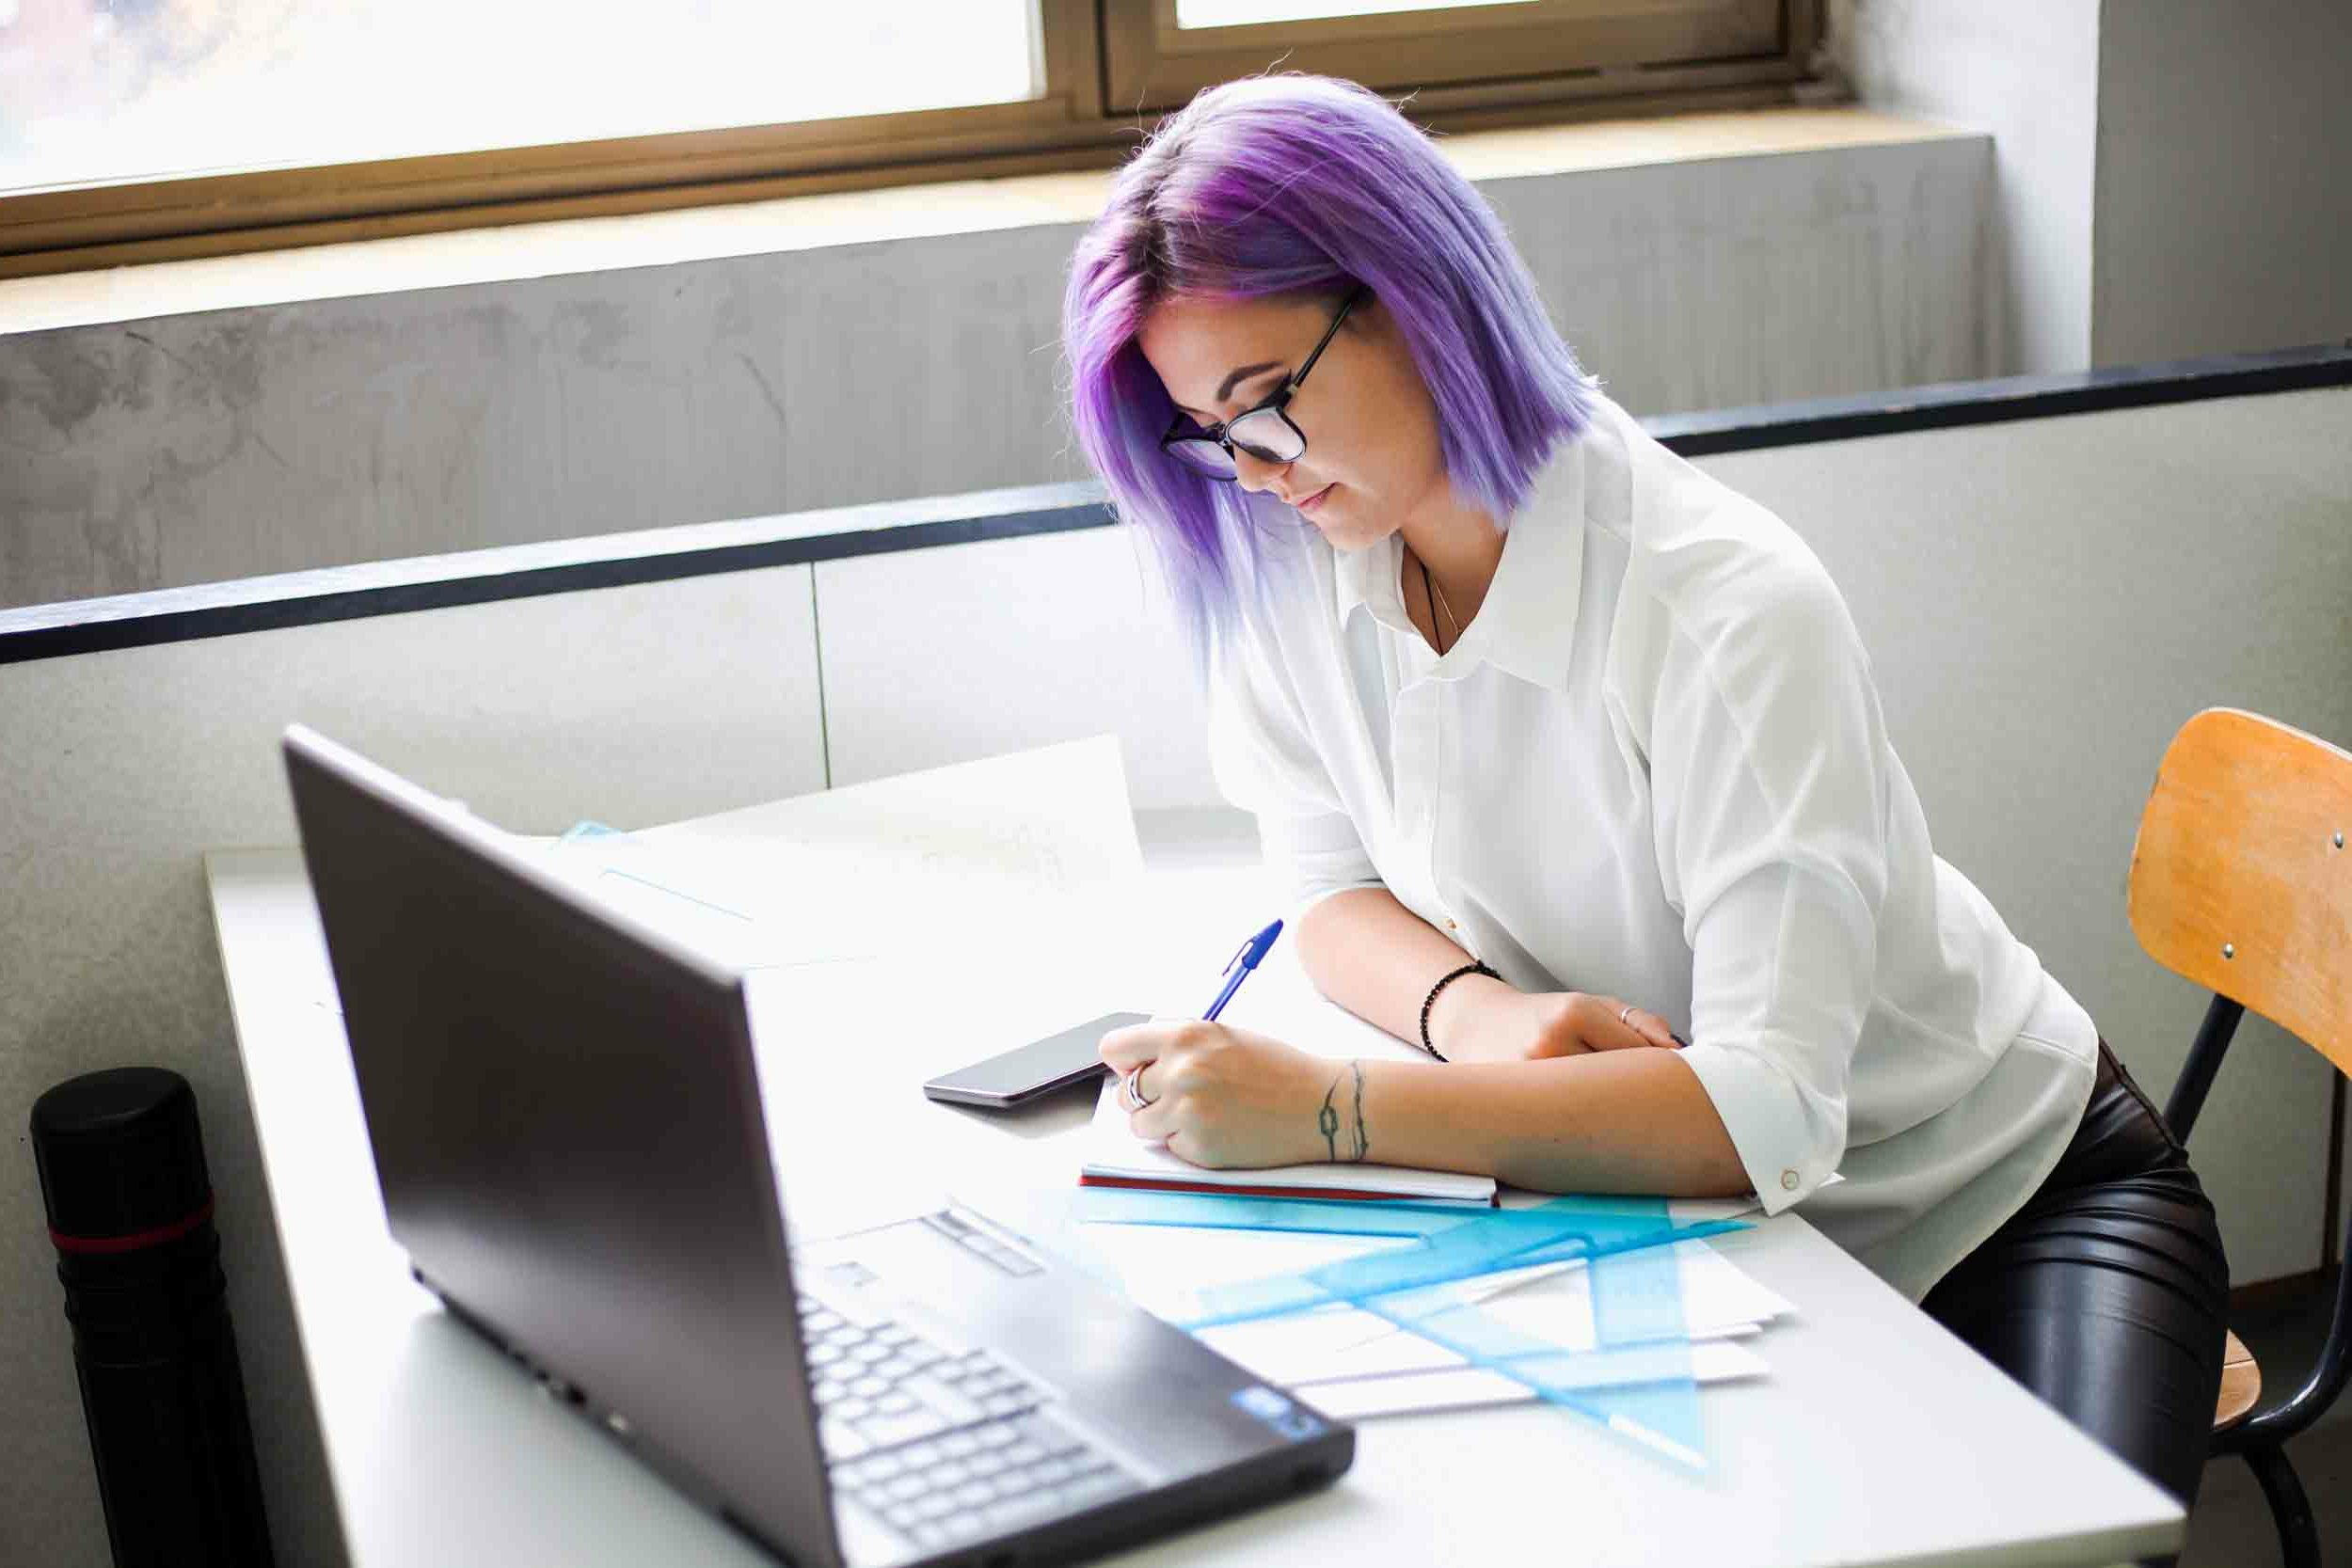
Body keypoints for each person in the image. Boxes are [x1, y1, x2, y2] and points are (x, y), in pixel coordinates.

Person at [1059, 73, 2230, 1515]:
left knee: (2064, 1550)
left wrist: (1336, 1110)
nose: (1253, 472)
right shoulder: (1305, 557)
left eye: (1267, 406)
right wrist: (1479, 1018)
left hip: (1999, 1193)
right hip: (1689, 1214)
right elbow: (1330, 886)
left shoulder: (1723, 605)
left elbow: (1767, 1114)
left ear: (1415, 299)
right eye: (1209, 433)